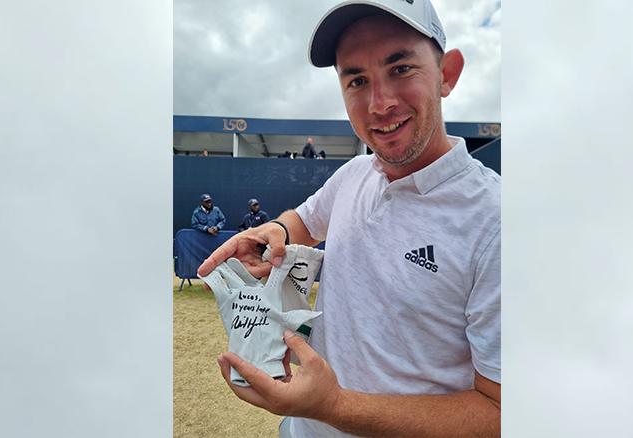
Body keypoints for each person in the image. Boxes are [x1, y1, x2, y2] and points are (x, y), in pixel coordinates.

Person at [198, 1, 500, 436]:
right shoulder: (356, 173)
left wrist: (336, 406)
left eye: (400, 68)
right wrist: (275, 232)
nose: (379, 104)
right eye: (357, 79)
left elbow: (500, 413)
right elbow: (302, 221)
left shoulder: (496, 221)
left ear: (447, 75)